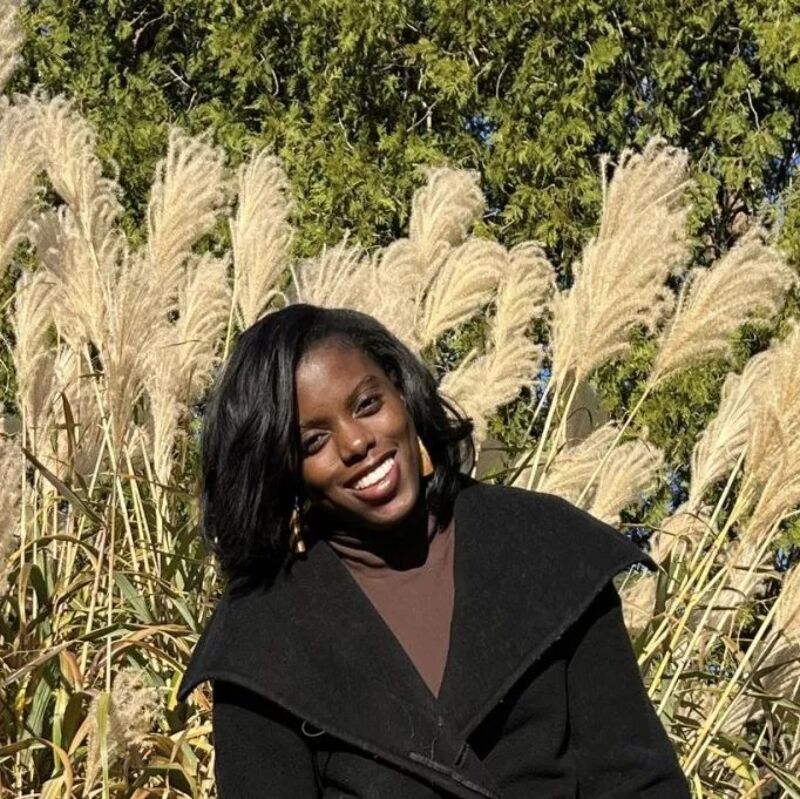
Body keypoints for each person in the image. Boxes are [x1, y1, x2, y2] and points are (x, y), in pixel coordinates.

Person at [178, 303, 691, 798]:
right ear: (282, 472)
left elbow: (638, 782)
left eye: (367, 405)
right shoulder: (262, 641)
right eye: (313, 442)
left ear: (402, 393)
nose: (355, 443)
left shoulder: (547, 548)